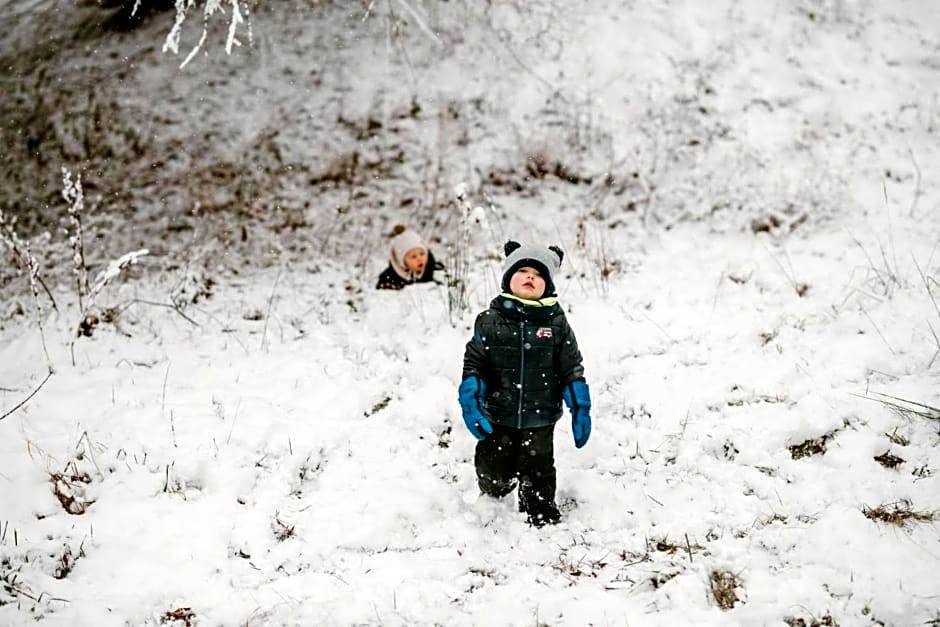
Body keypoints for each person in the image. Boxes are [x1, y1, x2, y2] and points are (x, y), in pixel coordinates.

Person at [458, 240, 591, 527]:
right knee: (493, 463)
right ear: (508, 279)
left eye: (539, 274)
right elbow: (476, 363)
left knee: (539, 467)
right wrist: (471, 396)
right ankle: (495, 495)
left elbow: (571, 366)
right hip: (499, 411)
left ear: (549, 285)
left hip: (540, 414)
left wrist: (580, 404)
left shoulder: (556, 323)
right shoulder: (489, 321)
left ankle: (540, 510)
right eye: (524, 271)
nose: (531, 277)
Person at [376, 225, 441, 290]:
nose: (419, 259)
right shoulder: (393, 274)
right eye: (413, 257)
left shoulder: (428, 269)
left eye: (422, 254)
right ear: (402, 261)